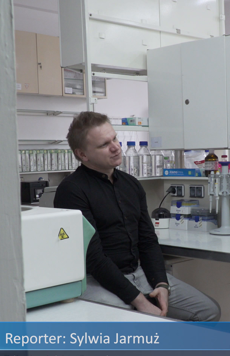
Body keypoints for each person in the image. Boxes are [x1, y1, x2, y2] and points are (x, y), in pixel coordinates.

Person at [53, 111, 220, 321]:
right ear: (83, 154)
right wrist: (140, 301)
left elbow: (148, 240)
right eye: (104, 144)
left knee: (208, 311)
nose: (115, 147)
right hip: (98, 280)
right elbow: (94, 259)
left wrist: (161, 284)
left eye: (114, 139)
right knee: (136, 320)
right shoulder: (71, 191)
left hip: (139, 274)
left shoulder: (131, 184)